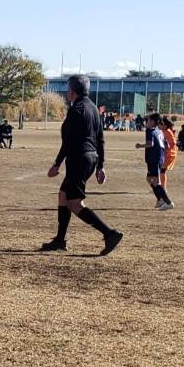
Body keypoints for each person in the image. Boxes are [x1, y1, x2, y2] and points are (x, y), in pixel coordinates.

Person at [42, 74, 122, 254]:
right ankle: (60, 240)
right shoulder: (93, 108)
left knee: (75, 203)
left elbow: (68, 141)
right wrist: (101, 165)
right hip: (90, 158)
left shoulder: (76, 109)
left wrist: (56, 164)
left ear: (71, 91)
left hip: (78, 158)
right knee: (63, 195)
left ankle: (109, 233)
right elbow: (101, 139)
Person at [135, 113, 174, 210]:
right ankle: (160, 199)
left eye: (147, 121)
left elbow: (150, 143)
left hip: (154, 159)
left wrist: (140, 146)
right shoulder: (159, 131)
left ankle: (168, 202)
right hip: (158, 158)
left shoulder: (150, 130)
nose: (146, 123)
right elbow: (167, 145)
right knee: (149, 179)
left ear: (152, 122)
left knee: (156, 181)